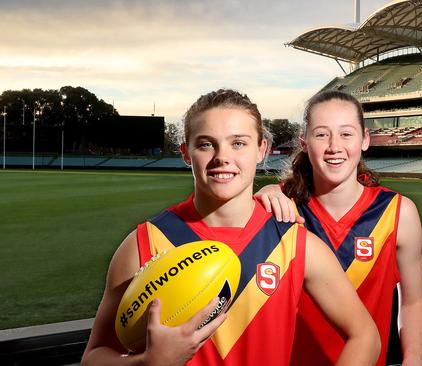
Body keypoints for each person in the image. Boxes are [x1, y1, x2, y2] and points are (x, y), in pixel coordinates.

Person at [81, 89, 380, 366]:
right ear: (186, 153)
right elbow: (94, 356)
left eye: (238, 143)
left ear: (262, 148)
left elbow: (365, 334)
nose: (222, 157)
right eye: (206, 144)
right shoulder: (143, 243)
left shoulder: (295, 243)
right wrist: (147, 364)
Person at [256, 90, 422, 366]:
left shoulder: (398, 212)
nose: (334, 146)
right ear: (304, 142)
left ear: (365, 140)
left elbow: (413, 301)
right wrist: (265, 193)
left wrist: (413, 360)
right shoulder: (279, 208)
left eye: (346, 134)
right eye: (322, 134)